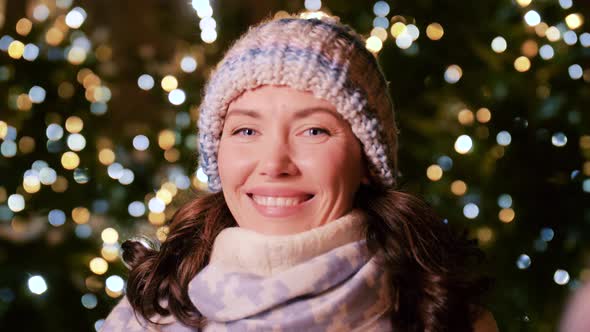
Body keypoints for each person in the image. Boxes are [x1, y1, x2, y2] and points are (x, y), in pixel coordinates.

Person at [100, 13, 499, 331]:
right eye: (246, 130)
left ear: (366, 161)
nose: (274, 164)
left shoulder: (444, 316)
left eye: (314, 131)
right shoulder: (146, 315)